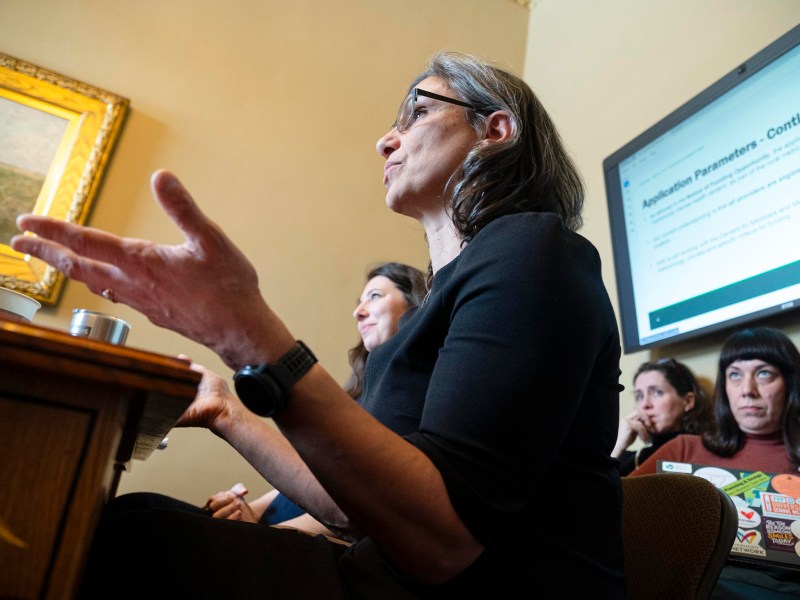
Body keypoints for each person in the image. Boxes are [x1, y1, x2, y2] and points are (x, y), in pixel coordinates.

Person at [12, 50, 625, 598]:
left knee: (135, 538)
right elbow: (353, 507)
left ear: (496, 131)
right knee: (136, 518)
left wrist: (248, 333)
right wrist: (228, 407)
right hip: (388, 571)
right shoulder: (443, 300)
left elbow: (441, 540)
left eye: (417, 111)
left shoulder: (530, 248)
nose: (386, 141)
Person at [206, 261, 427, 530]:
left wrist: (262, 534)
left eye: (375, 296)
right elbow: (310, 470)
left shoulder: (416, 397)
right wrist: (246, 509)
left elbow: (359, 505)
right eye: (360, 301)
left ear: (413, 303)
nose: (358, 312)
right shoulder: (355, 397)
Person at [629, 327, 800, 599]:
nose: (748, 390)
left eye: (764, 373)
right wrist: (615, 447)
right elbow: (609, 511)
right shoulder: (684, 448)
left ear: (790, 382)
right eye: (735, 375)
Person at [612, 357, 710, 475]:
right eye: (639, 396)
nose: (645, 404)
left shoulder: (706, 453)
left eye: (657, 393)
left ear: (688, 401)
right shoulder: (625, 460)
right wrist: (617, 448)